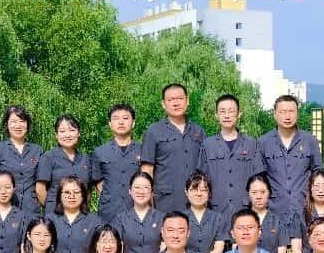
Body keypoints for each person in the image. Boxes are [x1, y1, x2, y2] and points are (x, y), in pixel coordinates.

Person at [141, 84, 206, 213]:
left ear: (187, 101)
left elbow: (205, 169)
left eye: (180, 98)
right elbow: (147, 170)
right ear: (163, 104)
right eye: (170, 100)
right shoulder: (154, 131)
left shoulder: (199, 131)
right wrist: (147, 202)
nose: (176, 103)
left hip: (195, 202)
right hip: (164, 202)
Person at [198, 94, 264, 217]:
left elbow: (259, 179)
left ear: (239, 114)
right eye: (222, 111)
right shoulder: (208, 145)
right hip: (215, 210)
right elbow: (201, 179)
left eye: (231, 111)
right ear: (216, 115)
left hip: (245, 209)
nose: (227, 115)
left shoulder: (251, 144)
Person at [258, 95, 323, 219]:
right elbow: (259, 179)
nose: (287, 116)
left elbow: (318, 173)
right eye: (282, 112)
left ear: (297, 113)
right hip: (273, 210)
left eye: (291, 111)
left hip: (304, 209)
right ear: (275, 114)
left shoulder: (310, 140)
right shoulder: (263, 142)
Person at [0, 106, 44, 220]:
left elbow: (41, 183)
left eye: (22, 121)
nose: (18, 125)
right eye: (14, 121)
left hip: (31, 211)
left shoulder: (37, 150)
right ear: (7, 124)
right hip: (6, 211)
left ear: (27, 124)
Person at [48, 176, 103, 253]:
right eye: (67, 192)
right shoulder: (49, 220)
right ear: (59, 195)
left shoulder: (95, 221)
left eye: (76, 192)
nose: (72, 196)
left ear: (83, 195)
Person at [92, 104, 143, 223]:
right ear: (110, 124)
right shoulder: (100, 152)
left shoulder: (143, 150)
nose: (121, 122)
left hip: (137, 209)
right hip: (109, 211)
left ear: (133, 123)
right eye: (116, 118)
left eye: (125, 118)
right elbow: (99, 185)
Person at [112, 172, 164, 253]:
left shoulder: (162, 218)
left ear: (152, 192)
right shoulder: (120, 219)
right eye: (137, 187)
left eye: (146, 187)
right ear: (130, 191)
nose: (141, 191)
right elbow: (118, 251)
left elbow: (164, 248)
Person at [37, 114, 92, 211]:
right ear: (56, 135)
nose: (67, 135)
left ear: (78, 133)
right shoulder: (48, 157)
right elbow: (40, 189)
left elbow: (88, 190)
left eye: (72, 130)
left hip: (80, 214)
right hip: (55, 213)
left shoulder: (86, 159)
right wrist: (52, 208)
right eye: (62, 131)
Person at [183, 172, 227, 253]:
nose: (199, 194)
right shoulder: (180, 218)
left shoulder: (218, 218)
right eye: (194, 190)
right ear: (186, 192)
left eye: (203, 190)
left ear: (209, 193)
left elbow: (218, 250)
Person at [245, 173, 290, 253]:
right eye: (254, 192)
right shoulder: (240, 220)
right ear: (248, 194)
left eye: (263, 192)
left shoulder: (279, 221)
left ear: (269, 193)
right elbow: (236, 250)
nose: (258, 197)